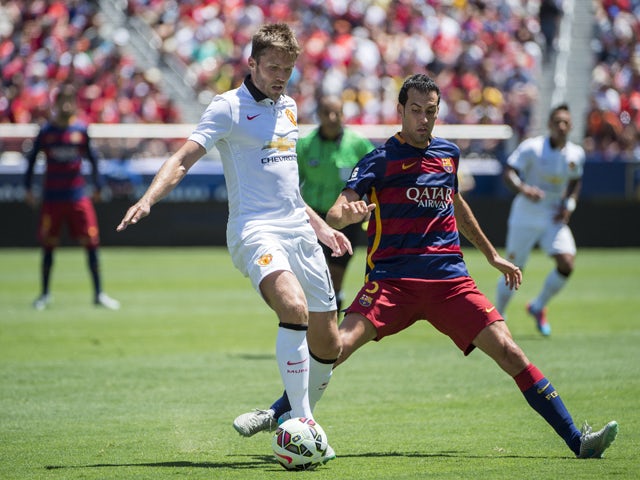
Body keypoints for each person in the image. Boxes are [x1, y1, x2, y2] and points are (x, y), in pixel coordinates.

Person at [234, 74, 618, 459]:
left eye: (430, 112)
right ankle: (278, 412)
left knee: (510, 352)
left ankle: (578, 441)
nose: (423, 119)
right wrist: (343, 215)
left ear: (438, 113)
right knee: (335, 347)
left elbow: (457, 204)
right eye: (415, 110)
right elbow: (336, 212)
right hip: (391, 283)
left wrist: (490, 254)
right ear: (400, 110)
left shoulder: (448, 153)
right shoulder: (378, 161)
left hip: (450, 283)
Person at [116, 23, 351, 461]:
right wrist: (149, 198)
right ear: (252, 62)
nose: (280, 75)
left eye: (288, 68)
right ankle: (301, 423)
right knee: (293, 307)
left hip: (299, 229)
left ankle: (289, 418)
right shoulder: (227, 107)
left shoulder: (291, 107)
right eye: (273, 67)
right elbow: (184, 158)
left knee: (330, 344)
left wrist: (320, 227)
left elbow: (288, 187)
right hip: (254, 228)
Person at [24, 83, 120, 311]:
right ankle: (44, 294)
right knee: (48, 245)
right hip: (52, 197)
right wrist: (28, 188)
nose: (66, 105)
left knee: (91, 243)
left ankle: (99, 293)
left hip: (77, 196)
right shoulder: (47, 132)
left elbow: (94, 160)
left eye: (70, 100)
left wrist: (98, 186)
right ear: (56, 104)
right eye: (62, 100)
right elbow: (30, 161)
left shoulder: (80, 130)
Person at [495, 104, 584, 336]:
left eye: (566, 123)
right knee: (514, 268)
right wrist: (524, 188)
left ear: (571, 126)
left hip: (553, 214)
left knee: (567, 263)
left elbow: (575, 180)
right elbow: (509, 172)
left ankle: (537, 306)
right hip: (526, 212)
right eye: (558, 122)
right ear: (549, 125)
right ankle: (498, 318)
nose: (562, 127)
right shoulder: (532, 148)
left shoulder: (576, 154)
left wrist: (569, 205)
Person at [297, 95, 375, 312]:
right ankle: (313, 329)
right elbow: (291, 184)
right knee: (313, 275)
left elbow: (376, 175)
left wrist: (367, 206)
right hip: (313, 218)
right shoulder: (305, 145)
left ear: (343, 115)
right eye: (326, 113)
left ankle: (330, 331)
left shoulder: (358, 144)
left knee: (336, 276)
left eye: (337, 113)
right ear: (319, 115)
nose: (332, 118)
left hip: (346, 219)